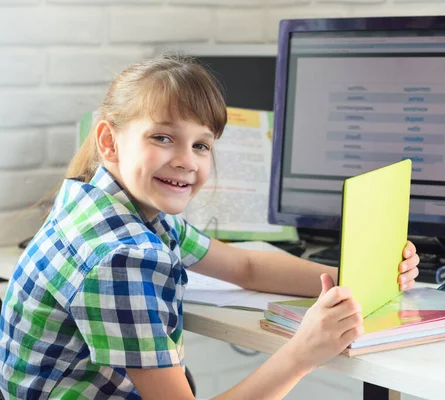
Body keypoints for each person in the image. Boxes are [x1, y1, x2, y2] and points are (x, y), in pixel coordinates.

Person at [0, 56, 420, 400]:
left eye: (201, 144)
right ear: (109, 142)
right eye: (163, 138)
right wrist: (303, 353)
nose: (187, 160)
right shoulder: (121, 259)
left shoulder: (106, 205)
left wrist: (362, 280)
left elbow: (246, 268)